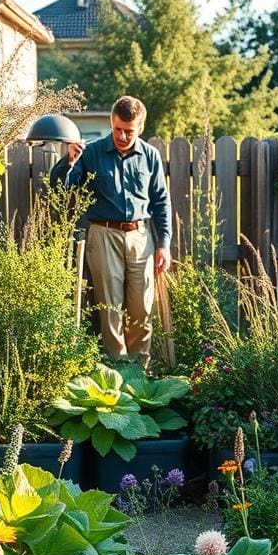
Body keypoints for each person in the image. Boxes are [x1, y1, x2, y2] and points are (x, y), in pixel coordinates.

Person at [50, 95, 171, 364]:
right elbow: (62, 188)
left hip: (141, 237)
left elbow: (161, 201)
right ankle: (117, 367)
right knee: (110, 307)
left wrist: (164, 244)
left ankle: (139, 370)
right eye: (117, 129)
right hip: (102, 234)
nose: (122, 136)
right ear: (111, 122)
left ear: (140, 128)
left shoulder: (150, 156)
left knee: (142, 307)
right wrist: (68, 162)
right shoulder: (90, 152)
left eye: (129, 131)